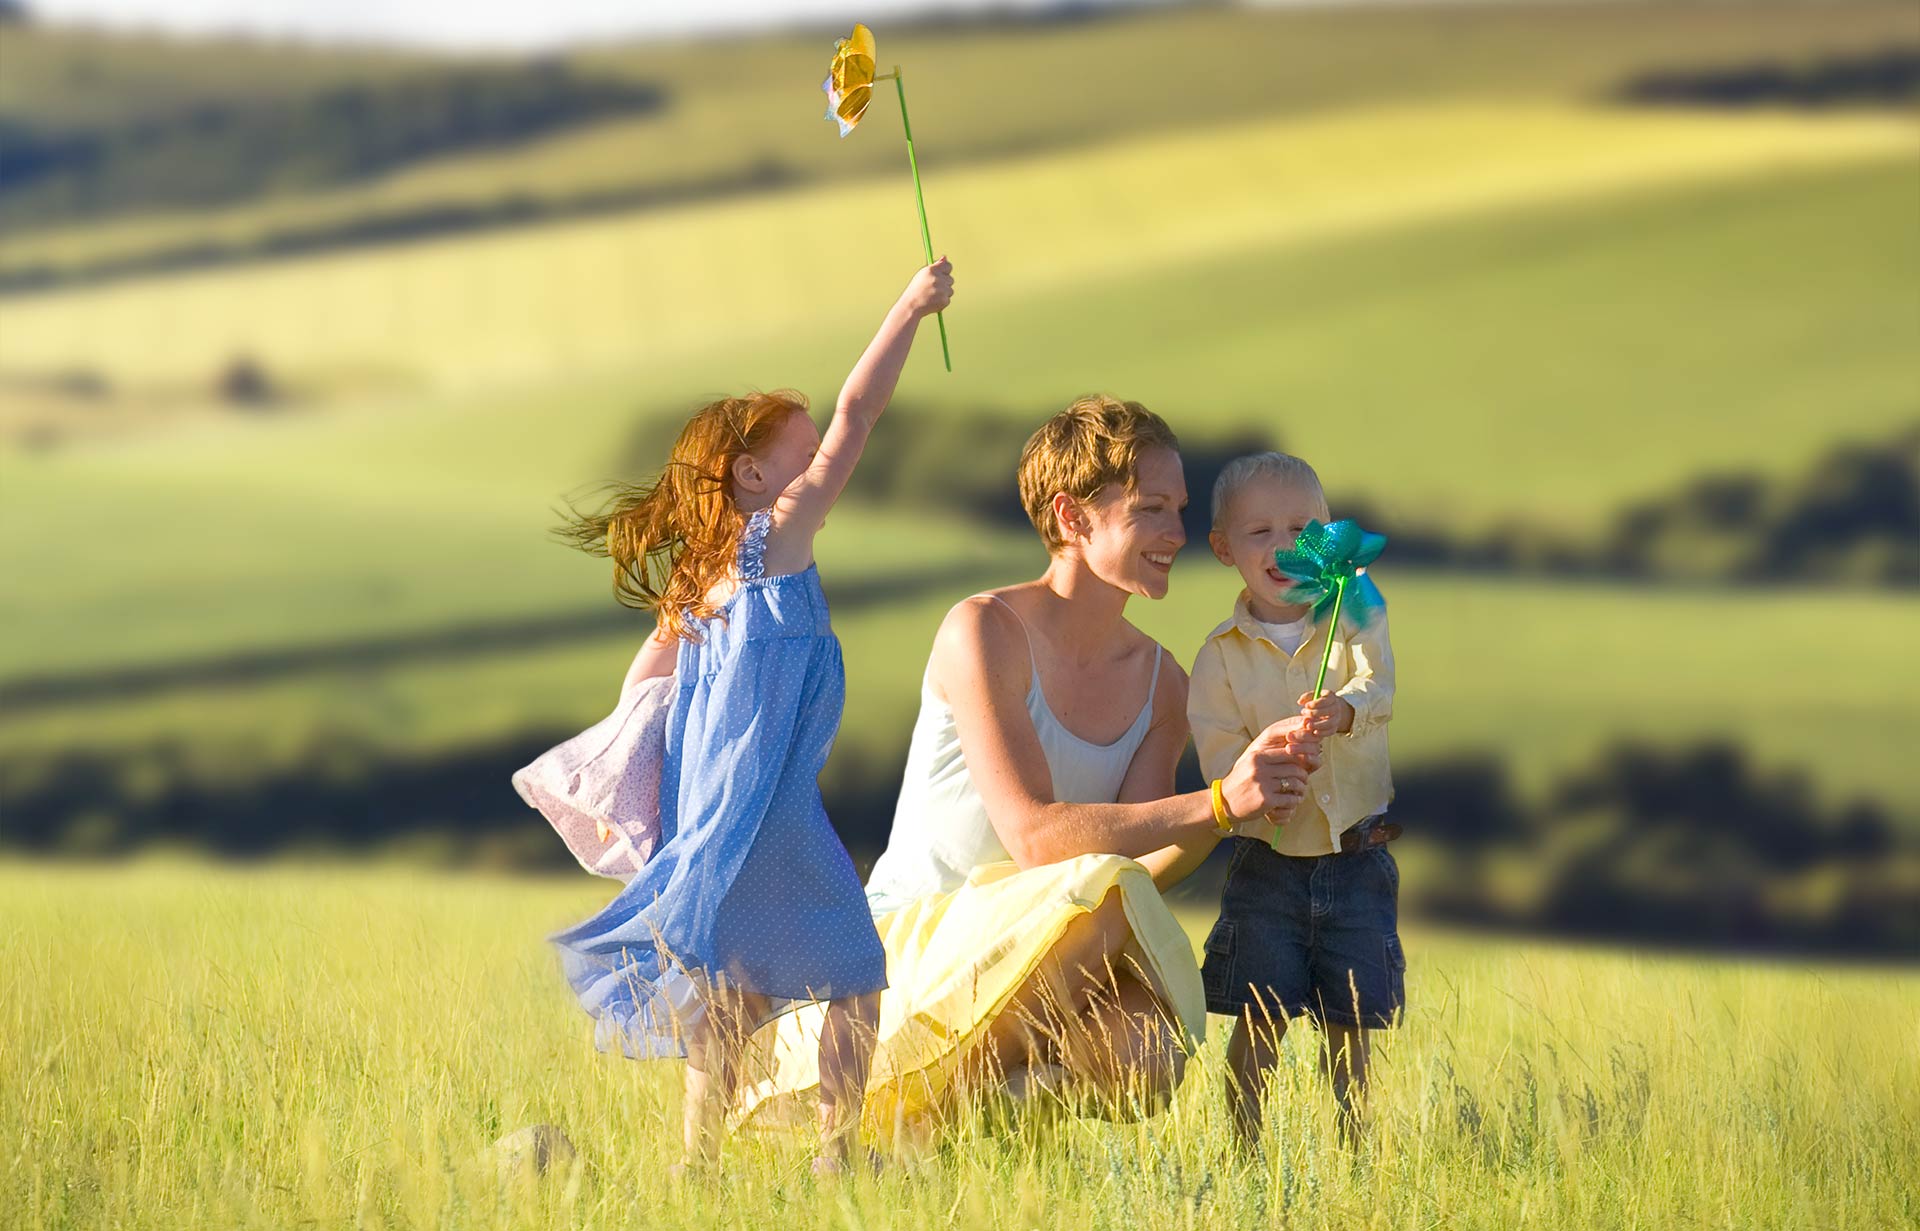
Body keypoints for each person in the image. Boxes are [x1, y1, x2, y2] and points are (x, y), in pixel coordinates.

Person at [734, 396, 1319, 1143]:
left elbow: (1140, 862)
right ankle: (922, 1124)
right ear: (1072, 518)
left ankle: (962, 1121)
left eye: (1178, 509)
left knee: (1146, 1051)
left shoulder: (1164, 684)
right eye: (1150, 509)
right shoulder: (983, 629)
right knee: (1101, 899)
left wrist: (1243, 800)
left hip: (1050, 941)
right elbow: (1036, 837)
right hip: (911, 947)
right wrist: (1216, 801)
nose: (1176, 533)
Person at [546, 260, 955, 1175]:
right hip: (771, 805)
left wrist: (628, 785)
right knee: (856, 969)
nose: (819, 466)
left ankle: (697, 1164)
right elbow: (860, 414)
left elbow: (641, 692)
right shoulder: (780, 538)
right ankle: (836, 1153)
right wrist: (909, 307)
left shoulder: (701, 580)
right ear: (753, 473)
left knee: (730, 993)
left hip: (714, 811)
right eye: (801, 456)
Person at [1188, 451, 1401, 1145]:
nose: (1283, 547)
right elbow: (1220, 756)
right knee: (1259, 1015)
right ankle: (1244, 1148)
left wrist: (1343, 709)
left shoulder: (1354, 611)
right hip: (1268, 866)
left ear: (1328, 536)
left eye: (1303, 530)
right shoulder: (1219, 656)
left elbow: (1379, 685)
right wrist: (1259, 793)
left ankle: (1356, 1149)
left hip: (1354, 854)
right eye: (1259, 532)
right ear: (1224, 547)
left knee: (1353, 1020)